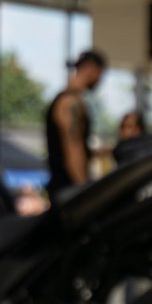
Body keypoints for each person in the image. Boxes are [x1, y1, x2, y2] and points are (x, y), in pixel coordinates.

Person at [45, 50, 106, 197]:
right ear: (91, 69)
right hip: (68, 191)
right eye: (100, 74)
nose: (100, 80)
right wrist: (84, 192)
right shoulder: (70, 103)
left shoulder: (73, 101)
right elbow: (73, 150)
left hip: (66, 189)